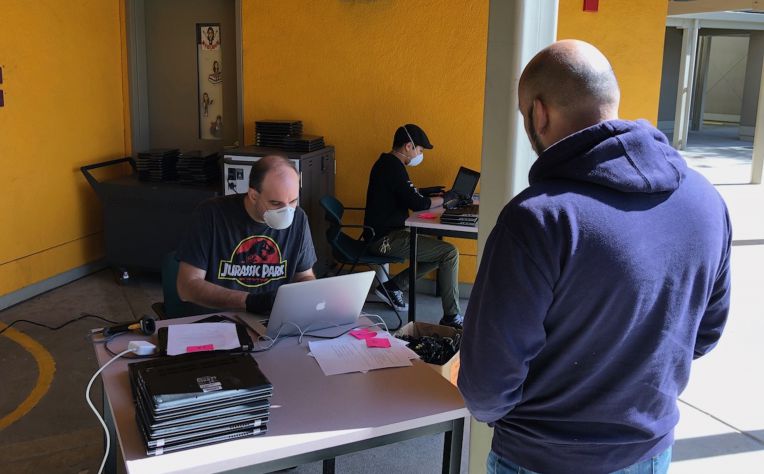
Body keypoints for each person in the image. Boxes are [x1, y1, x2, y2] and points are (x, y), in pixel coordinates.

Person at [457, 40, 731, 474]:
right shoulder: (705, 200)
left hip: (542, 459)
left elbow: (487, 383)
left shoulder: (537, 219)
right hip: (651, 453)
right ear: (611, 100)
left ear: (538, 114)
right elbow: (706, 333)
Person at [177, 155, 316, 314]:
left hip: (271, 319)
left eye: (293, 201)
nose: (286, 211)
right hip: (218, 318)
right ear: (253, 196)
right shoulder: (210, 215)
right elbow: (187, 286)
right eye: (275, 203)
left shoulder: (298, 219)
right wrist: (248, 301)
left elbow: (305, 276)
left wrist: (311, 294)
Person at [364, 124, 464, 328]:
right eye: (420, 150)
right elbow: (417, 204)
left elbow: (405, 193)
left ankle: (392, 287)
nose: (420, 155)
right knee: (449, 253)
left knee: (442, 254)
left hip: (387, 233)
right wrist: (446, 199)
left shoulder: (389, 163)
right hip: (384, 239)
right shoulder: (393, 167)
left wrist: (427, 192)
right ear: (408, 146)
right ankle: (451, 317)